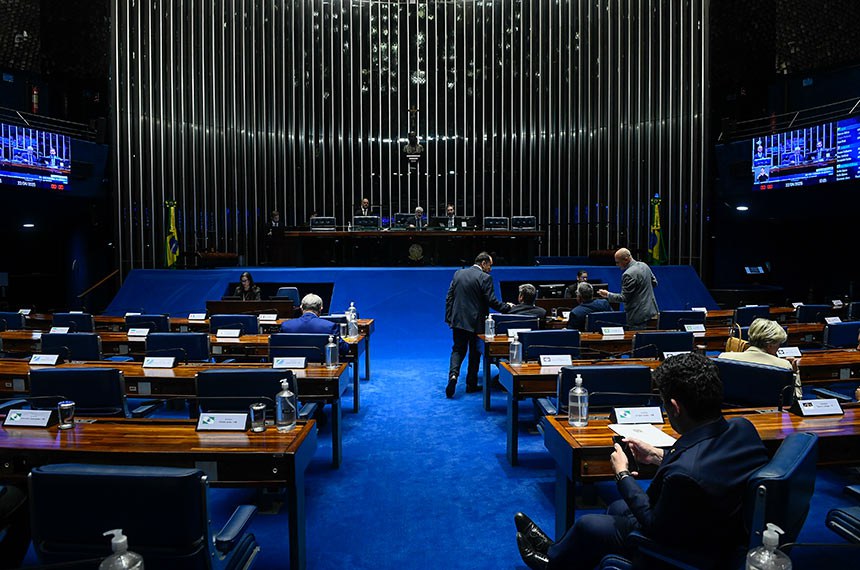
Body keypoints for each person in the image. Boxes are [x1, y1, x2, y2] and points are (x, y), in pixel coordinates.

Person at [514, 353, 769, 570]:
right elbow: (709, 468)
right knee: (615, 508)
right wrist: (658, 456)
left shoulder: (685, 473)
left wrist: (622, 475)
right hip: (716, 521)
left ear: (675, 407)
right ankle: (558, 551)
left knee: (587, 525)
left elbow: (654, 523)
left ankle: (551, 563)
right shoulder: (742, 428)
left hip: (693, 545)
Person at [445, 252, 511, 397]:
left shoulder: (458, 274)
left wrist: (450, 317)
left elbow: (449, 297)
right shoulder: (485, 278)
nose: (491, 269)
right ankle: (471, 384)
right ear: (483, 263)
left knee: (457, 350)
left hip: (459, 320)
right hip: (476, 323)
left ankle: (453, 376)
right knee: (474, 353)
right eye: (490, 265)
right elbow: (491, 301)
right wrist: (508, 308)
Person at [718, 317, 801, 400]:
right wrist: (795, 373)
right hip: (773, 412)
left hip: (730, 411)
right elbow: (796, 398)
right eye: (778, 344)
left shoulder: (724, 358)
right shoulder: (784, 366)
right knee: (786, 414)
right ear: (770, 345)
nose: (778, 349)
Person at [597, 248, 658, 329]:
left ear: (626, 259)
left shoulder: (628, 274)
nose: (617, 265)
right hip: (652, 312)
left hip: (638, 316)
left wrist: (607, 295)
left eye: (618, 262)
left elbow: (624, 298)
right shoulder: (644, 265)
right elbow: (654, 283)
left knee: (639, 340)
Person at [280, 293, 349, 354]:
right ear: (320, 309)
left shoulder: (286, 326)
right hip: (322, 365)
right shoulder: (330, 326)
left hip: (292, 366)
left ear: (301, 308)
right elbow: (343, 349)